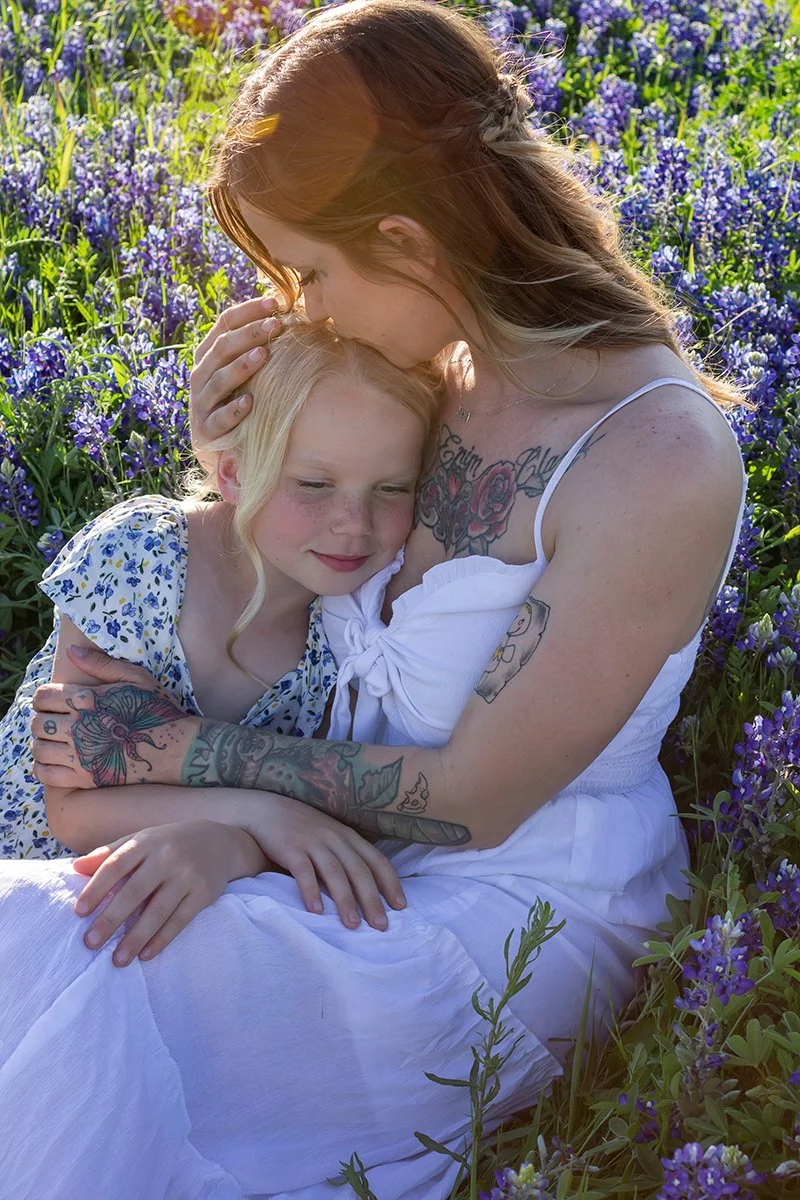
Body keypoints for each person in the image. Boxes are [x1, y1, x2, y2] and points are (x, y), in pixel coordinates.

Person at [2, 1, 747, 1197]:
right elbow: (286, 599)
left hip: (500, 915)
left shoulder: (653, 457)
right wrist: (229, 484)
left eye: (308, 269)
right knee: (53, 936)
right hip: (325, 865)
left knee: (55, 949)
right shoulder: (428, 378)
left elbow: (470, 807)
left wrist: (197, 766)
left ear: (404, 240)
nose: (303, 308)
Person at [0, 316, 438, 943]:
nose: (355, 524)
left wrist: (232, 846)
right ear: (231, 473)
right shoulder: (142, 557)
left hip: (153, 906)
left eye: (392, 488)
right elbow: (73, 806)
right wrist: (258, 814)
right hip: (26, 872)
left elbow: (310, 822)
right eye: (314, 484)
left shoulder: (346, 632)